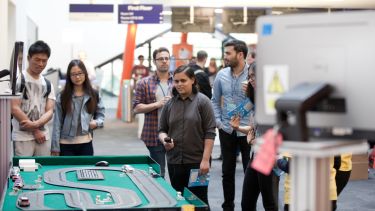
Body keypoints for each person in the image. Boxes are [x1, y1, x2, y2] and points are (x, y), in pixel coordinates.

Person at [158, 65, 216, 206]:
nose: (179, 84)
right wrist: (165, 140)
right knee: (180, 201)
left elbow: (210, 133)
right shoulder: (169, 104)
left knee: (199, 201)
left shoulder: (203, 102)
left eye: (183, 80)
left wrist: (205, 160)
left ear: (192, 80)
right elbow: (161, 130)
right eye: (176, 81)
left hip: (197, 163)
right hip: (174, 162)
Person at [230, 63, 280, 211]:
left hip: (269, 156)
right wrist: (238, 128)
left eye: (254, 76)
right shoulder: (255, 100)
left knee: (269, 203)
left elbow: (278, 133)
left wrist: (255, 140)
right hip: (256, 154)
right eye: (250, 76)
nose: (251, 80)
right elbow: (254, 130)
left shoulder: (272, 100)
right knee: (247, 202)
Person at [211, 39, 252, 211]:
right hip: (227, 130)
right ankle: (228, 206)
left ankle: (248, 207)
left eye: (228, 53)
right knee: (227, 172)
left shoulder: (253, 74)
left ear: (240, 54)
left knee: (250, 174)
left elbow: (262, 101)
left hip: (248, 131)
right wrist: (219, 122)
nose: (225, 56)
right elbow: (214, 101)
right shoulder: (221, 75)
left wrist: (252, 92)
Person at [133, 47, 173, 178]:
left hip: (176, 133)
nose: (164, 61)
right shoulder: (144, 83)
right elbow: (137, 108)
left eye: (167, 58)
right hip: (153, 133)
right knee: (158, 173)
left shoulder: (178, 81)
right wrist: (158, 104)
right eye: (161, 59)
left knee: (176, 173)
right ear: (154, 61)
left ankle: (175, 197)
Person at [51, 59, 105, 156]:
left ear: (85, 74)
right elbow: (57, 123)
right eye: (73, 74)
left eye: (80, 73)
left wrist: (96, 122)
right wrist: (55, 147)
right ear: (69, 76)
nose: (77, 77)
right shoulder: (62, 96)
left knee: (86, 170)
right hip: (65, 144)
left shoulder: (94, 94)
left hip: (86, 143)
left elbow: (101, 115)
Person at [11, 40, 56, 156]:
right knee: (24, 171)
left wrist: (37, 125)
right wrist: (36, 130)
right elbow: (14, 108)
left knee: (44, 170)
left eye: (44, 60)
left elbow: (50, 111)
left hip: (43, 137)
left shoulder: (48, 83)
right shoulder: (19, 80)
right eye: (37, 59)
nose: (40, 64)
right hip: (22, 137)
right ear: (28, 58)